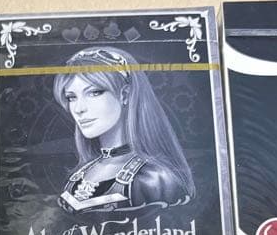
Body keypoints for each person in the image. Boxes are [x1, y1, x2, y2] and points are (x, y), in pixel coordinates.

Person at [54, 47, 194, 214]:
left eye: (94, 93)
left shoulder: (155, 178)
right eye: (71, 97)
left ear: (125, 95)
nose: (78, 109)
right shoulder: (77, 175)